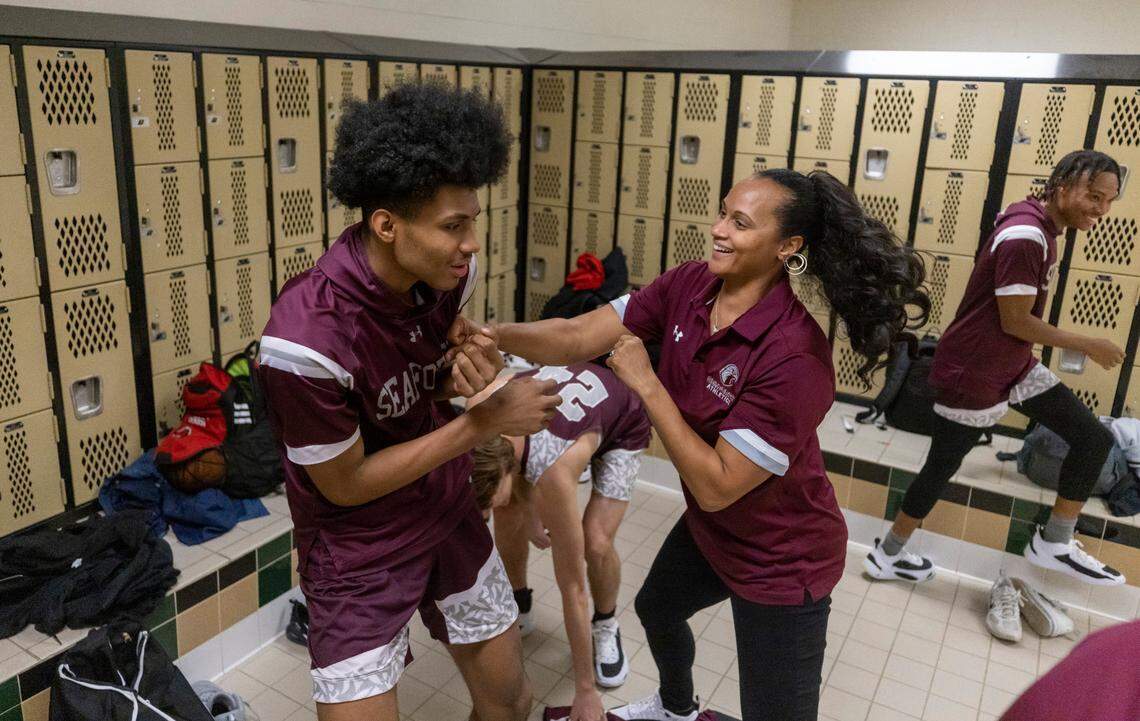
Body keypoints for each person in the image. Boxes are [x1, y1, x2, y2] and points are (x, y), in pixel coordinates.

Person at [450, 168, 929, 721]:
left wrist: (646, 383)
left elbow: (718, 485)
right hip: (714, 530)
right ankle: (676, 708)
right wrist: (494, 333)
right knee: (657, 608)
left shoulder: (794, 355)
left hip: (780, 558)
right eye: (723, 212)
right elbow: (577, 335)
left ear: (787, 246)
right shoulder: (690, 286)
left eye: (741, 223)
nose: (719, 229)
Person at [257, 84, 561, 721]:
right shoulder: (305, 341)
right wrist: (482, 422)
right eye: (454, 227)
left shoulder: (448, 277)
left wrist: (457, 371)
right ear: (387, 225)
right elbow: (345, 485)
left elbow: (419, 379)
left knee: (512, 703)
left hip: (443, 508)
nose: (473, 242)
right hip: (356, 544)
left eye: (472, 220)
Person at [864, 150, 1127, 587]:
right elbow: (1016, 320)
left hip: (1009, 362)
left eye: (1109, 201)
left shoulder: (1041, 224)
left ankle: (1054, 540)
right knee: (941, 466)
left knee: (1092, 438)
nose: (1101, 209)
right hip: (976, 370)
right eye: (1094, 196)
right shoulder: (1027, 236)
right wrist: (1089, 344)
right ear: (1062, 187)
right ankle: (887, 554)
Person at [471, 362, 651, 721]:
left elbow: (572, 589)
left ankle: (606, 624)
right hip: (563, 417)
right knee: (509, 511)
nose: (491, 511)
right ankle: (520, 604)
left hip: (624, 421)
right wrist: (528, 511)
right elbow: (513, 473)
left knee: (596, 541)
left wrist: (585, 691)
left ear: (509, 469)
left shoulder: (553, 471)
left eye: (489, 503)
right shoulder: (483, 415)